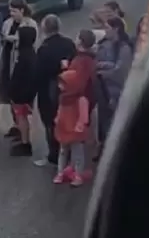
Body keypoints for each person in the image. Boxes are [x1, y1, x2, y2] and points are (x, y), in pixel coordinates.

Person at [33, 14, 77, 167]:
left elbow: (38, 73)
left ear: (44, 28)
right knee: (67, 121)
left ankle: (54, 155)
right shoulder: (69, 44)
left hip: (47, 91)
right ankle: (68, 154)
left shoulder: (44, 49)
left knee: (50, 123)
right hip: (68, 90)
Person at [55, 29, 97, 183]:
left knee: (67, 146)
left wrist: (66, 69)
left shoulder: (79, 61)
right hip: (84, 102)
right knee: (77, 144)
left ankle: (67, 172)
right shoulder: (91, 60)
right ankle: (75, 171)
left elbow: (74, 80)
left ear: (81, 41)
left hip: (75, 105)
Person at [0, 0, 37, 137]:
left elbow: (30, 42)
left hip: (18, 62)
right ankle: (15, 123)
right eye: (10, 10)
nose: (12, 14)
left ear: (22, 10)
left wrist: (12, 39)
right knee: (7, 94)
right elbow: (3, 37)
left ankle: (21, 125)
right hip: (6, 60)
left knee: (19, 97)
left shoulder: (30, 24)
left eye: (14, 11)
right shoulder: (8, 23)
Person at [95, 17, 134, 161]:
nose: (105, 31)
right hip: (105, 91)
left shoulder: (124, 47)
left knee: (114, 124)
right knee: (104, 122)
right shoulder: (109, 45)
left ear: (116, 29)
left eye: (107, 28)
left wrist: (103, 72)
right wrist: (106, 65)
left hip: (116, 93)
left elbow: (121, 71)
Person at [53, 65, 92, 187]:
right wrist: (57, 119)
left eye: (62, 84)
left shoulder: (80, 100)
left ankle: (78, 175)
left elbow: (84, 116)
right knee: (63, 151)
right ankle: (61, 172)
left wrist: (80, 125)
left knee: (76, 153)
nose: (60, 86)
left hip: (75, 132)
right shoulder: (63, 98)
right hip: (64, 129)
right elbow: (60, 110)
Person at [7, 25, 38, 157]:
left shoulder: (25, 56)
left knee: (21, 117)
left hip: (21, 94)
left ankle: (25, 143)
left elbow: (21, 76)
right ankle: (23, 139)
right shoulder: (29, 53)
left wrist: (15, 92)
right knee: (21, 117)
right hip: (23, 93)